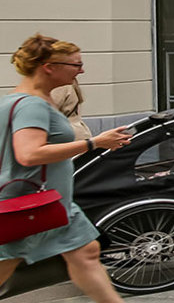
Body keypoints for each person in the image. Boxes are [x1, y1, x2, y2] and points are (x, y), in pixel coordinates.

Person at [1, 35, 135, 303]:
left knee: (87, 254)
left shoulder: (22, 100)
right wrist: (94, 143)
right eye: (76, 64)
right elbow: (29, 154)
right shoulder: (32, 105)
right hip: (28, 206)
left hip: (53, 203)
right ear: (49, 67)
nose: (81, 71)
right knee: (6, 264)